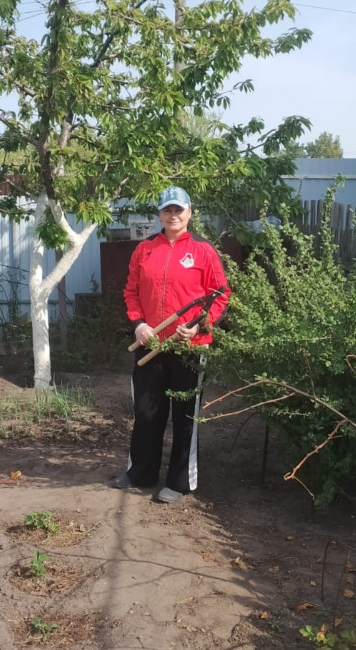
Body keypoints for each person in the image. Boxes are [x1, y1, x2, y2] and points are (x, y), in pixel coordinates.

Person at [109, 185, 230, 503]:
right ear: (159, 214)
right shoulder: (145, 250)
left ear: (189, 212)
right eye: (167, 210)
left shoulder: (204, 251)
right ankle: (141, 473)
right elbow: (131, 291)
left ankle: (179, 482)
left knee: (185, 416)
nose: (173, 215)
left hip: (189, 347)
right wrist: (139, 324)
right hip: (151, 343)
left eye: (179, 209)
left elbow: (220, 295)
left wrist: (202, 326)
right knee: (147, 413)